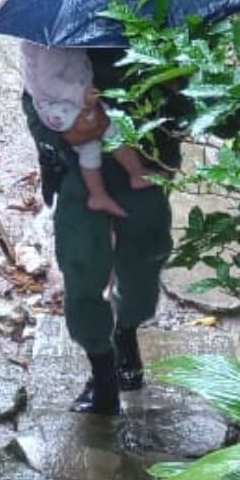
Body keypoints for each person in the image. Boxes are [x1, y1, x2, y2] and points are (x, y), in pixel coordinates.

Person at [23, 49, 182, 415]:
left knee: (145, 259)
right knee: (82, 266)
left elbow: (193, 99)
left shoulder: (164, 21)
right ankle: (102, 371)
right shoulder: (61, 23)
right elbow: (34, 94)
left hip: (143, 165)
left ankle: (127, 333)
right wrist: (62, 133)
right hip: (77, 169)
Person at [18, 41, 152, 218]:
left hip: (68, 98)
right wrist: (79, 94)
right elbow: (44, 83)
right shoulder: (50, 46)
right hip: (60, 105)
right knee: (110, 129)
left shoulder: (62, 39)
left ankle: (98, 195)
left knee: (91, 146)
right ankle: (136, 173)